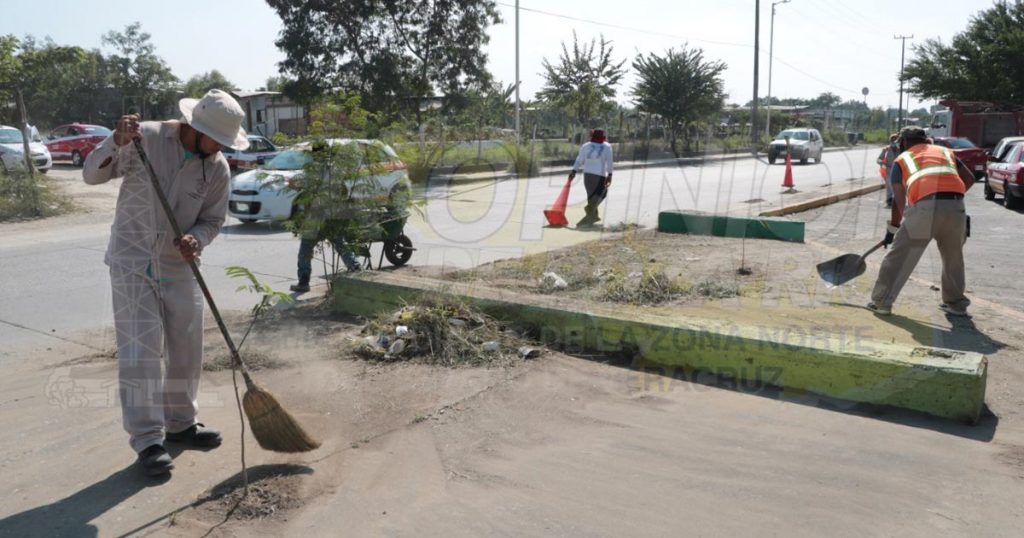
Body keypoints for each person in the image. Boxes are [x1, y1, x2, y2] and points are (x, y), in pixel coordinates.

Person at [83, 89, 248, 476]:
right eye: (216, 139)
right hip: (132, 260)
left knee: (187, 345)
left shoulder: (218, 168)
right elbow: (92, 175)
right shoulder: (148, 138)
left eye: (225, 143)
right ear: (195, 126)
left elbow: (213, 220)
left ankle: (181, 424)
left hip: (178, 264)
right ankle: (148, 440)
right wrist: (116, 140)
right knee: (141, 350)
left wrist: (198, 239)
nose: (220, 148)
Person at [867, 126, 975, 317]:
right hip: (956, 207)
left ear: (904, 142)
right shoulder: (946, 152)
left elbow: (898, 201)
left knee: (899, 257)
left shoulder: (903, 159)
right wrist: (948, 198)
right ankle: (956, 304)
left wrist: (892, 230)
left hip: (924, 208)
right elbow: (969, 178)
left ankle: (881, 302)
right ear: (926, 140)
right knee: (953, 258)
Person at [569, 129, 613, 227]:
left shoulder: (585, 146)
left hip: (587, 176)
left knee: (591, 196)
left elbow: (579, 160)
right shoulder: (607, 146)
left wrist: (574, 171)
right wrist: (610, 175)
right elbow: (610, 162)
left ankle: (593, 216)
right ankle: (589, 210)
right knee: (602, 193)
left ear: (592, 136)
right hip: (600, 176)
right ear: (603, 136)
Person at [875, 133, 899, 207]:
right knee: (890, 186)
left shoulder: (900, 150)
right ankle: (889, 200)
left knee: (894, 186)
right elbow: (878, 159)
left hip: (898, 171)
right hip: (888, 170)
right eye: (894, 141)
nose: (896, 143)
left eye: (897, 141)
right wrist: (882, 163)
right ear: (891, 141)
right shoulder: (886, 150)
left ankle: (894, 199)